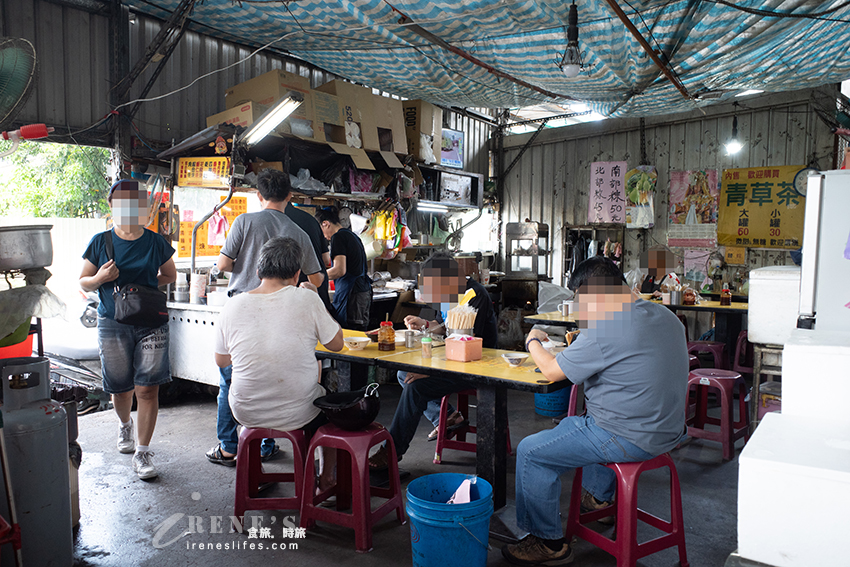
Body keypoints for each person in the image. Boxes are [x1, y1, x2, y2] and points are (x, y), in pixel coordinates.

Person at [501, 257, 688, 566]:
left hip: (628, 437)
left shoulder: (609, 325)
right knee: (579, 422)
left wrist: (532, 339)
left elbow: (550, 371)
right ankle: (599, 497)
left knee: (532, 452)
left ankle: (547, 544)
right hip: (668, 430)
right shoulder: (665, 315)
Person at [206, 169, 324, 467]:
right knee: (272, 377)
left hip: (242, 311)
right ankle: (264, 445)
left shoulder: (245, 221)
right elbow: (318, 278)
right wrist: (305, 286)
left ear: (259, 195)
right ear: (290, 196)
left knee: (231, 382)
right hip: (285, 314)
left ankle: (230, 447)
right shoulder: (299, 232)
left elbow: (222, 264)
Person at [214, 237, 343, 491]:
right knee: (331, 409)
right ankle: (326, 479)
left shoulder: (232, 305)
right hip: (298, 412)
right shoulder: (306, 299)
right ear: (296, 275)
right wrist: (315, 297)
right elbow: (336, 344)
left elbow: (221, 360)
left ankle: (253, 475)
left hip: (245, 411)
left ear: (258, 271)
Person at [80, 179, 177, 480]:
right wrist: (100, 278)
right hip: (112, 321)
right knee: (120, 387)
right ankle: (125, 425)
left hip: (151, 321)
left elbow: (169, 275)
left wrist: (139, 289)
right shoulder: (100, 242)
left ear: (143, 208)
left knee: (148, 388)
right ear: (112, 206)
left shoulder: (156, 241)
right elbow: (83, 281)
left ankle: (143, 452)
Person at [369, 253, 498, 469]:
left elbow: (465, 343)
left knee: (416, 387)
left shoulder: (474, 295)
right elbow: (443, 325)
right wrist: (425, 324)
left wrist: (431, 371)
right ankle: (447, 417)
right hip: (451, 359)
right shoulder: (449, 293)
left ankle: (391, 452)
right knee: (404, 374)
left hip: (476, 365)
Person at [315, 207, 371, 330]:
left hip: (352, 296)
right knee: (358, 336)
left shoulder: (338, 237)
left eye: (321, 231)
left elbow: (339, 270)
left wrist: (316, 278)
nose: (323, 237)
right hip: (360, 292)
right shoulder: (352, 235)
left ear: (326, 224)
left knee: (350, 336)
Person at [285, 201, 332, 314]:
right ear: (289, 196)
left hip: (294, 293)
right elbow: (326, 260)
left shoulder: (277, 221)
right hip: (317, 291)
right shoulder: (311, 220)